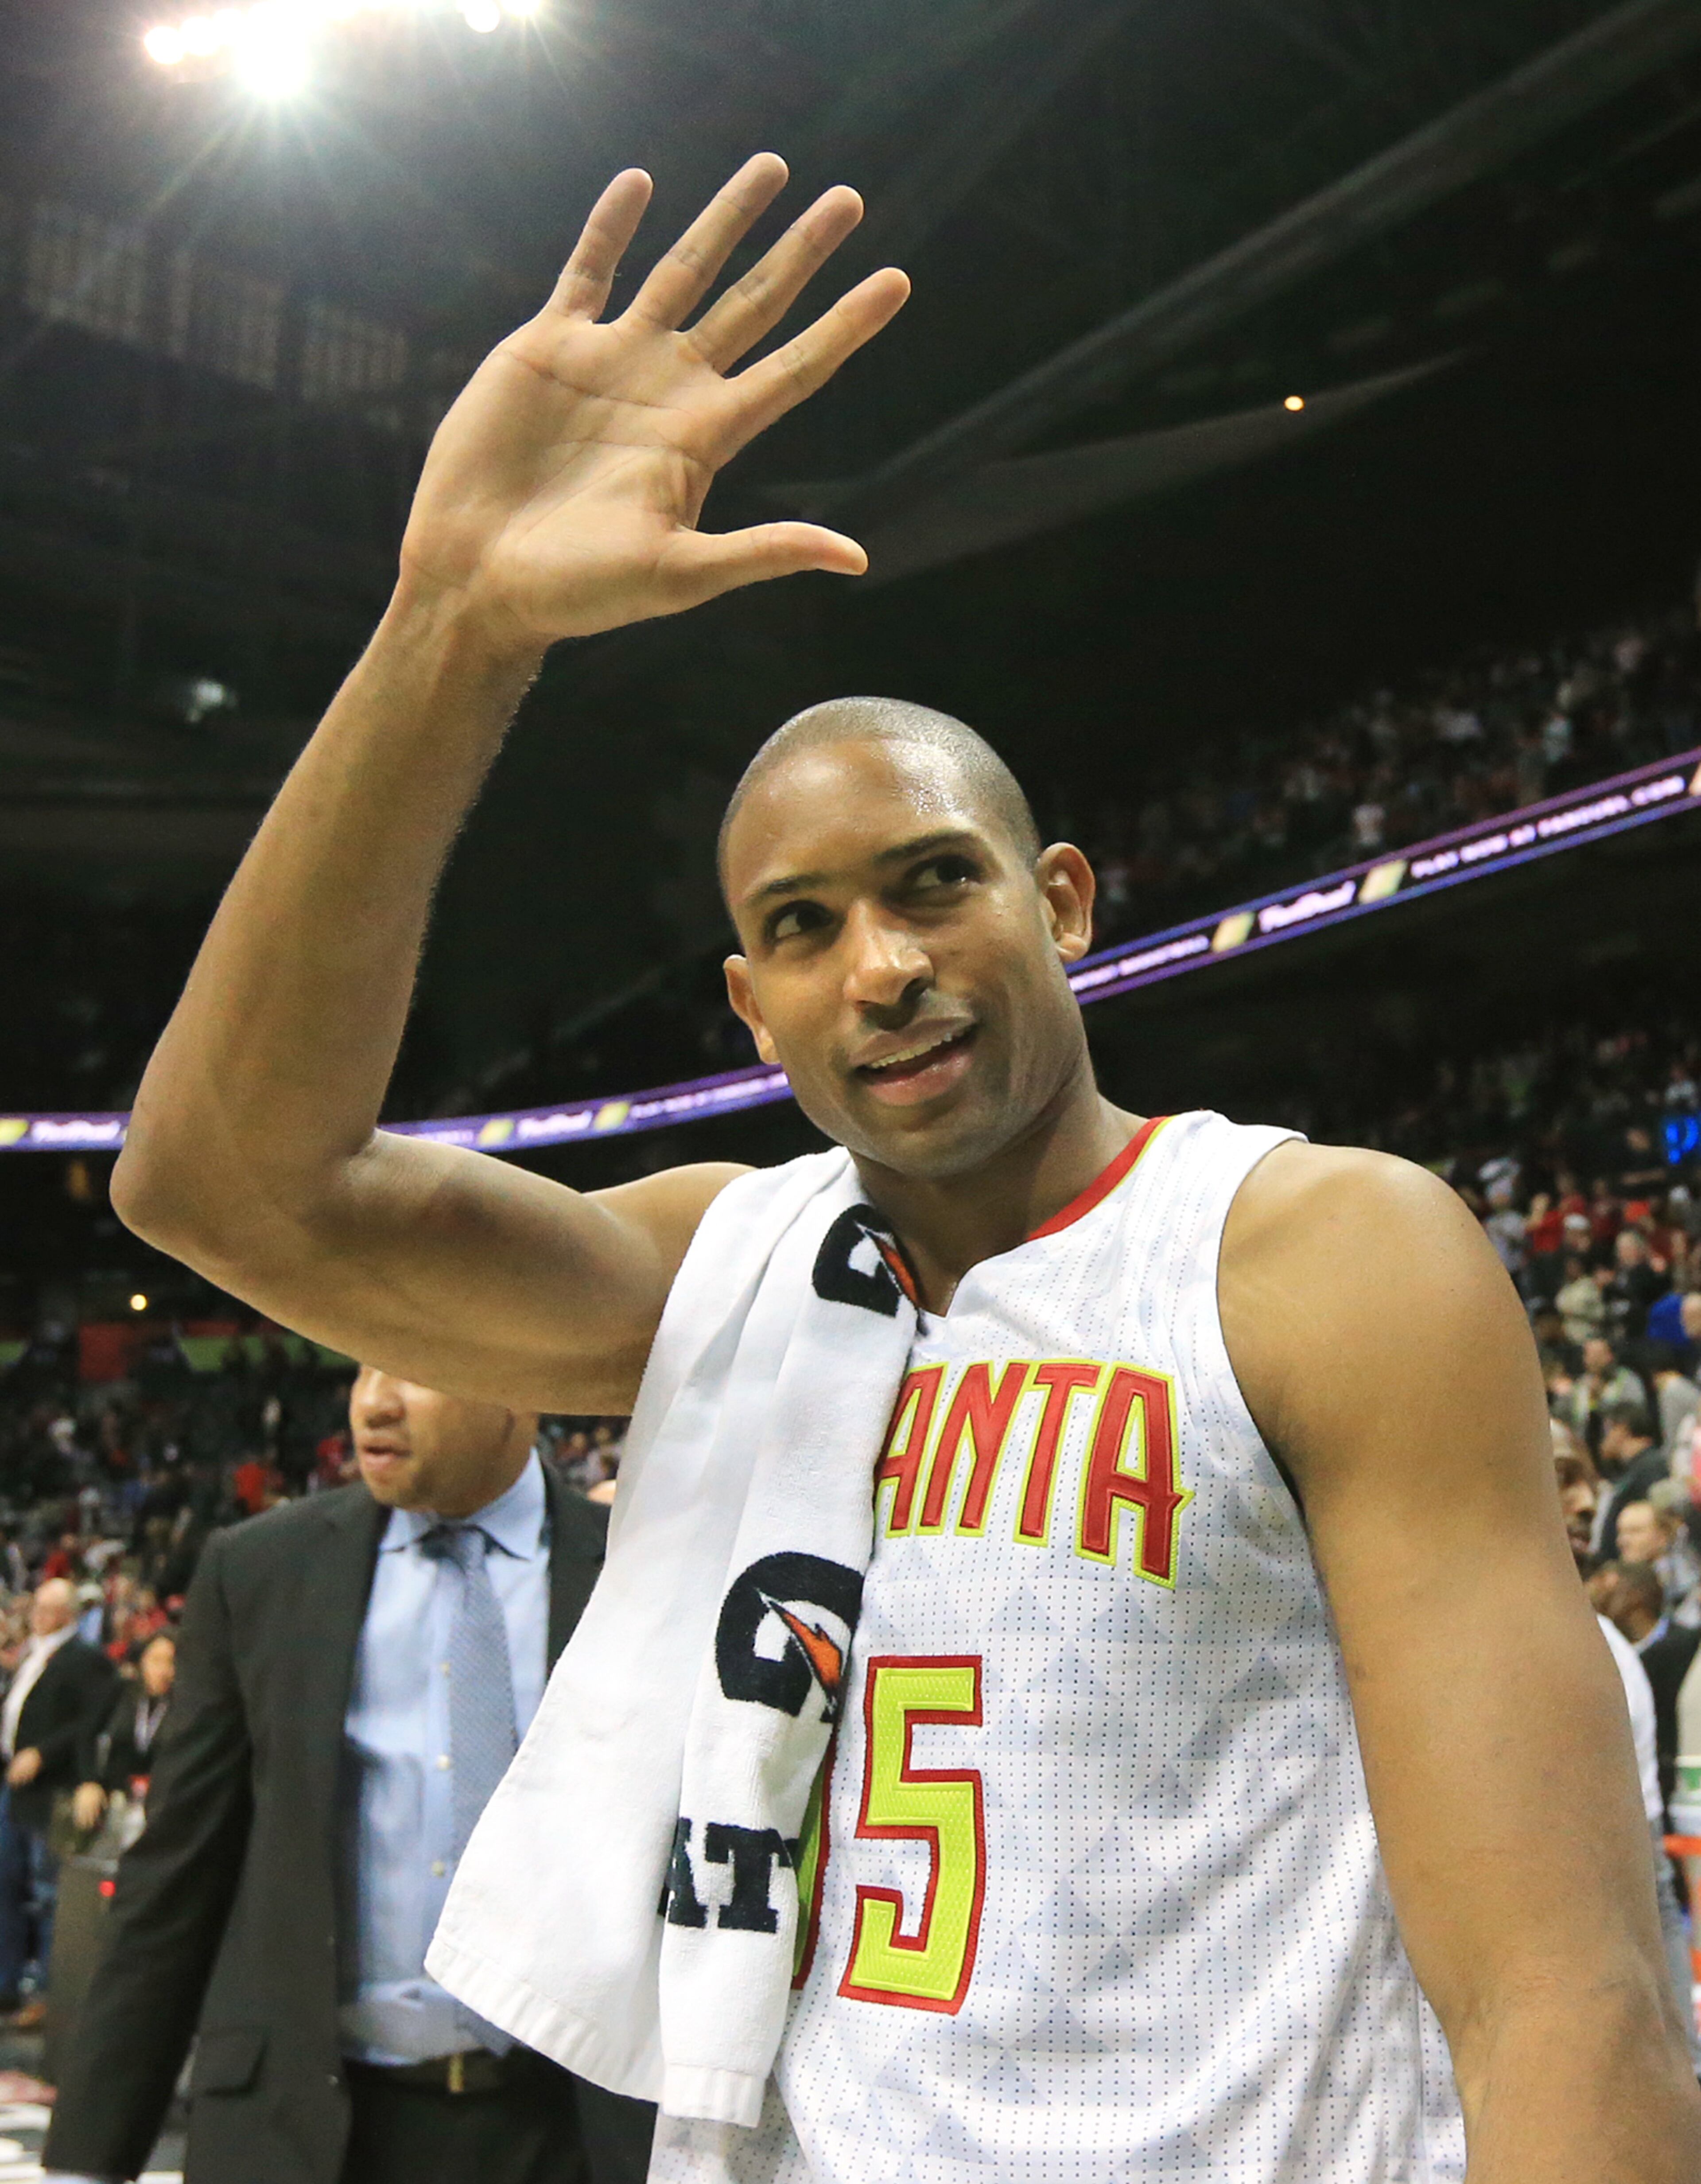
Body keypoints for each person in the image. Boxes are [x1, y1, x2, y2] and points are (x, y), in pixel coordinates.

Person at [96, 158, 1701, 2179]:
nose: (884, 967)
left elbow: (1562, 1989)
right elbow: (221, 1188)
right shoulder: (724, 1271)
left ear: (1060, 906)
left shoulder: (1315, 1255)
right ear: (748, 1013)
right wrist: (456, 625)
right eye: (802, 927)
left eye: (935, 886)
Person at [42, 1370, 654, 2184]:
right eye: (362, 1364)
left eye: (413, 1363)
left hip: (571, 2128)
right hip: (306, 2129)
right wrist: (87, 2160)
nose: (374, 1402)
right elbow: (177, 1876)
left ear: (517, 1379)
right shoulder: (260, 1569)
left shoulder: (640, 1567)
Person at [0, 1577, 118, 2021]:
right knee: (6, 1886)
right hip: (15, 1788)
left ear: (64, 1614)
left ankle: (50, 1996)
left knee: (49, 1892)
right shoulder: (36, 1653)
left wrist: (43, 1753)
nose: (35, 1617)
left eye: (44, 1610)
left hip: (54, 1790)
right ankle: (6, 1984)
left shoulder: (86, 1660)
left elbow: (91, 1721)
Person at [69, 1631, 177, 1837]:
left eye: (172, 1662)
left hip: (159, 1810)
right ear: (142, 1661)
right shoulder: (120, 1692)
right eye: (156, 1660)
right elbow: (86, 1735)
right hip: (112, 1800)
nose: (163, 1671)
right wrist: (89, 1781)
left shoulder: (185, 1706)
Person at [1596, 1401, 1670, 1560]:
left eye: (1607, 1431)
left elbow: (1658, 1519)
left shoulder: (1652, 1467)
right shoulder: (1634, 1469)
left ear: (1622, 1429)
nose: (1603, 1439)